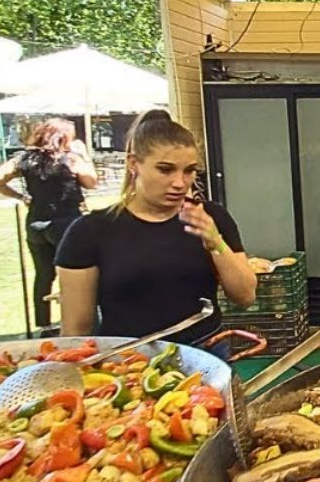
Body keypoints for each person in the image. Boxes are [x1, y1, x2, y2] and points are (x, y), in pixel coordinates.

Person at [56, 109, 258, 344]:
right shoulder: (90, 231)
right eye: (165, 169)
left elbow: (245, 296)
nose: (179, 183)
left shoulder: (211, 217)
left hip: (206, 356)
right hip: (131, 362)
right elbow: (75, 329)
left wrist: (216, 242)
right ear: (134, 164)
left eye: (189, 170)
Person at [0, 118, 97, 329]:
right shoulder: (70, 159)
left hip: (36, 223)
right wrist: (84, 156)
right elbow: (91, 182)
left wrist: (21, 196)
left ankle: (44, 324)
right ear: (64, 138)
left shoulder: (24, 158)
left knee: (43, 274)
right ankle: (76, 322)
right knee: (75, 274)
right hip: (66, 223)